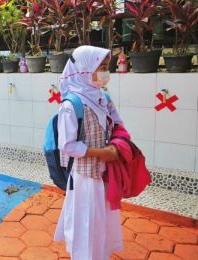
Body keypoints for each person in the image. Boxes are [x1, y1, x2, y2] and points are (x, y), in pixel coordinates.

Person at [53, 45, 124, 260]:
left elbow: (118, 124)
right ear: (84, 69)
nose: (105, 71)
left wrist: (118, 145)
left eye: (106, 66)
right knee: (85, 223)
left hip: (105, 173)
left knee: (101, 221)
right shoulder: (71, 105)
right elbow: (67, 145)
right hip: (85, 177)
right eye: (100, 66)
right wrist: (102, 153)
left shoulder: (103, 98)